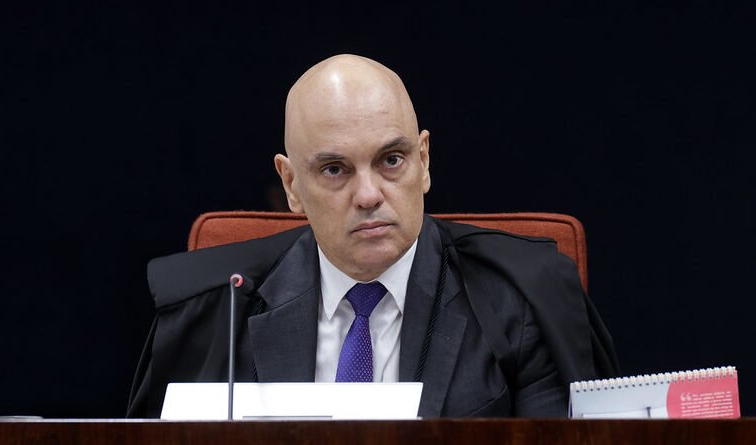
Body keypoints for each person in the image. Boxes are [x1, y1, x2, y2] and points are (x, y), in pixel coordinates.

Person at [127, 54, 618, 418]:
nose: (368, 195)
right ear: (291, 185)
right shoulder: (215, 312)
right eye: (335, 169)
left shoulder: (521, 303)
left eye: (391, 160)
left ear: (423, 161)